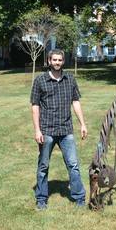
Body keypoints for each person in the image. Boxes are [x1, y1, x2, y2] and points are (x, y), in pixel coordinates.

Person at [30, 49, 88, 210]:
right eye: (54, 60)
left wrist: (82, 124)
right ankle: (41, 199)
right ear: (49, 61)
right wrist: (37, 130)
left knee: (73, 165)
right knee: (43, 166)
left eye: (59, 60)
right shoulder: (40, 81)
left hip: (66, 130)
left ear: (63, 61)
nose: (57, 62)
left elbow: (75, 102)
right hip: (47, 130)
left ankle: (79, 198)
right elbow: (35, 106)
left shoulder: (70, 79)